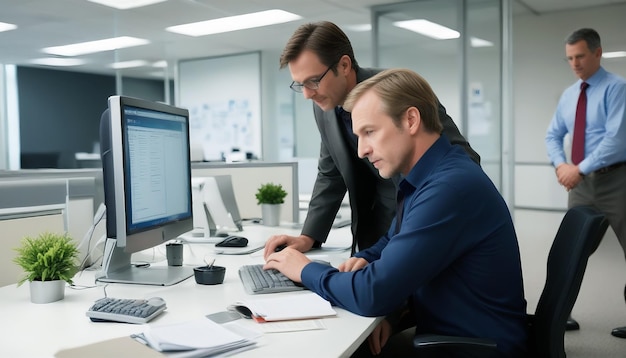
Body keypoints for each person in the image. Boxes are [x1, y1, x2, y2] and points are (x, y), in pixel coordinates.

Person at [265, 68, 528, 357]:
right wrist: (366, 258)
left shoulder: (449, 188)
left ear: (411, 120)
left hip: (475, 349)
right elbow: (393, 239)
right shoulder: (424, 176)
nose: (361, 150)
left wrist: (303, 269)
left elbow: (372, 294)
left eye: (370, 132)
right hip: (446, 329)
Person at [264, 21, 480, 257]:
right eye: (300, 84)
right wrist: (309, 236)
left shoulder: (397, 91)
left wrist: (425, 214)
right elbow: (330, 173)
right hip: (370, 232)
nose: (306, 94)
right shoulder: (324, 107)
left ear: (344, 65)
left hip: (417, 222)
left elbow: (461, 159)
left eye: (313, 81)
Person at [545, 28, 626, 337]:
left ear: (597, 53)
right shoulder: (569, 95)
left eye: (580, 56)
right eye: (569, 58)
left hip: (616, 179)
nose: (575, 63)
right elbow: (552, 135)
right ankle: (559, 315)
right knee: (572, 249)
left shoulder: (617, 89)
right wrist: (561, 165)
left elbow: (616, 140)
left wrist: (576, 169)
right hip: (581, 184)